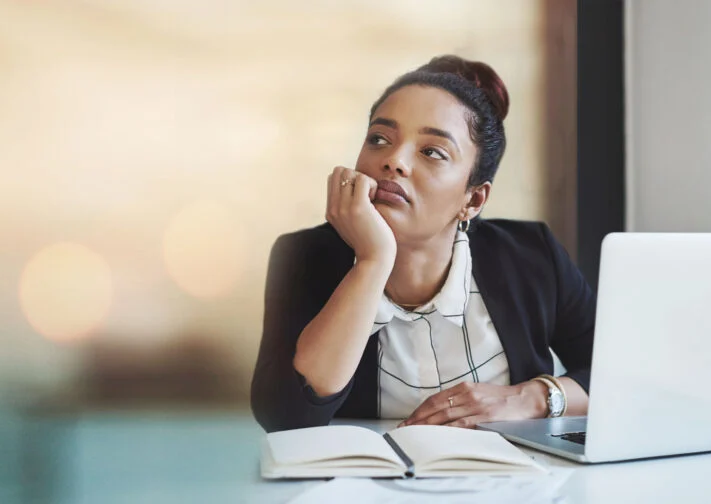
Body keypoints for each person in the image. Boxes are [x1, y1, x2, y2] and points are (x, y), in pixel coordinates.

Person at [250, 55, 595, 433]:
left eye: (432, 151)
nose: (394, 161)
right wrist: (372, 261)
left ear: (474, 200)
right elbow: (285, 417)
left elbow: (623, 376)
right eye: (379, 139)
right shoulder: (304, 257)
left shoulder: (532, 255)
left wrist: (531, 398)